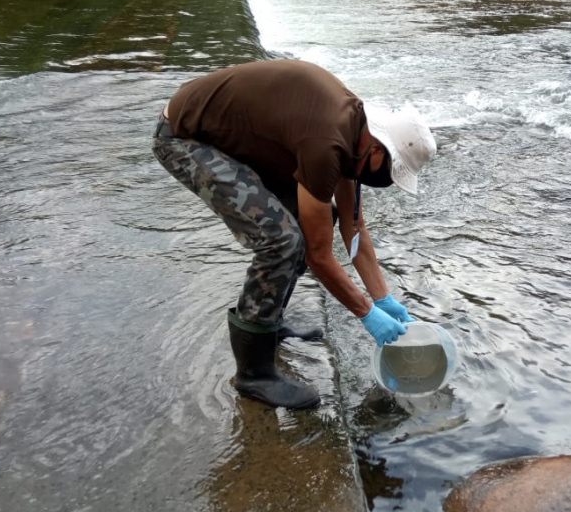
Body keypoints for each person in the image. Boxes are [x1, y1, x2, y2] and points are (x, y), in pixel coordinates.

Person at [151, 59, 437, 410]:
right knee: (282, 239)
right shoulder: (327, 142)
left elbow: (354, 226)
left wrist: (383, 298)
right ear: (378, 150)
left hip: (234, 135)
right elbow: (319, 256)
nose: (385, 180)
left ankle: (268, 322)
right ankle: (253, 373)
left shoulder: (354, 132)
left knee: (311, 222)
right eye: (391, 172)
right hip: (184, 137)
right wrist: (366, 313)